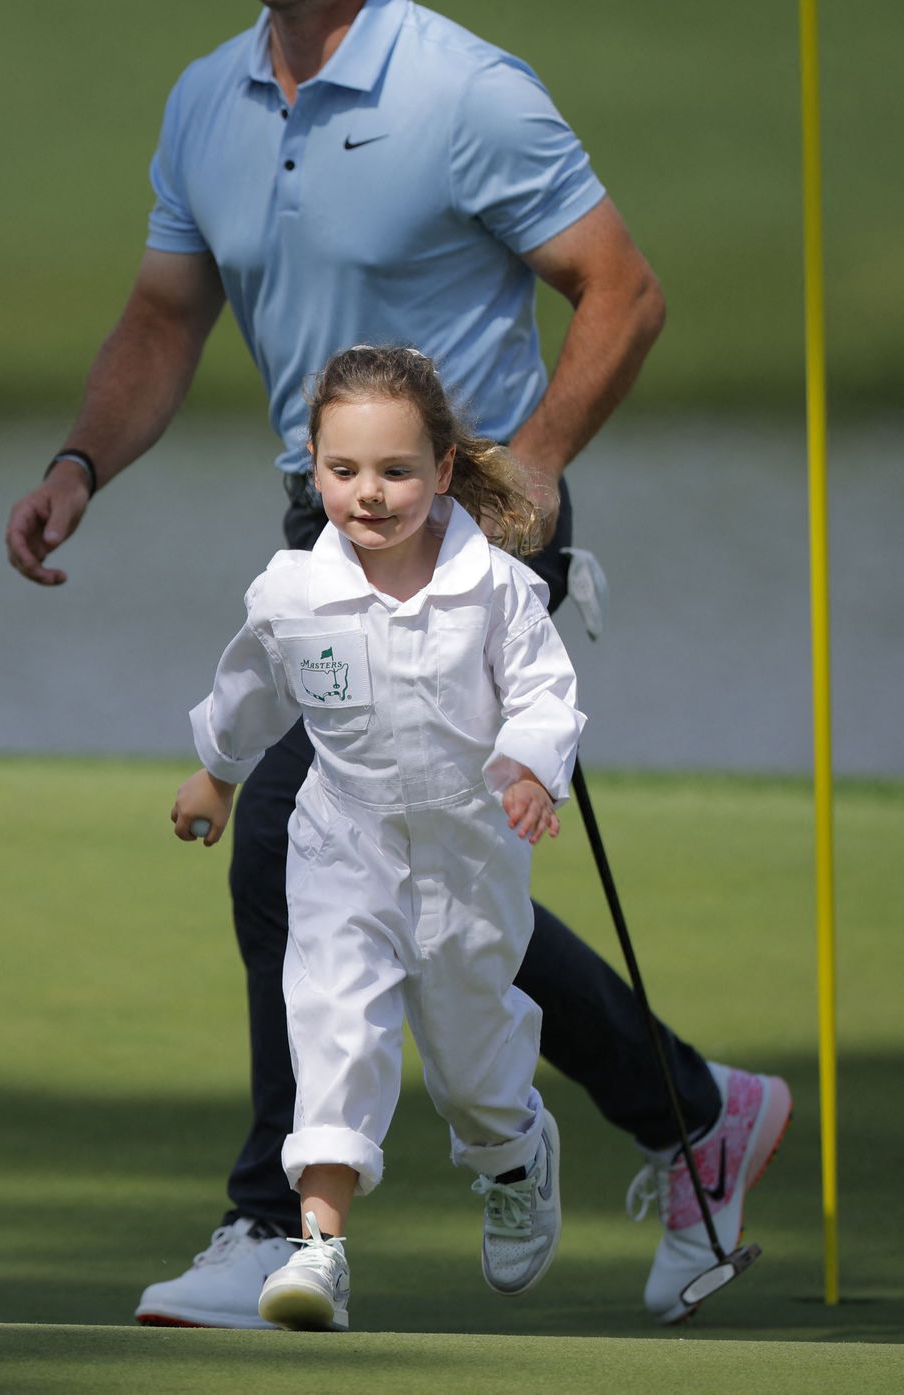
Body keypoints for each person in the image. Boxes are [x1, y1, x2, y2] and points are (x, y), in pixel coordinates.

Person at [5, 0, 792, 1328]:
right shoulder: (205, 99)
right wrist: (82, 457)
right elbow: (168, 317)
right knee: (432, 884)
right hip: (328, 527)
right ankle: (695, 1109)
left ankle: (268, 1225)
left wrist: (538, 472)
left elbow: (619, 290)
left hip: (475, 529)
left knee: (297, 834)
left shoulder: (466, 91)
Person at [172, 345, 581, 1330]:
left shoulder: (497, 592)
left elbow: (543, 692)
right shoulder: (290, 594)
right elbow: (251, 692)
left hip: (470, 863)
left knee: (472, 1072)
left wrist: (530, 765)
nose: (370, 493)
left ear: (442, 471)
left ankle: (515, 1153)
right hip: (340, 856)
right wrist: (216, 775)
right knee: (333, 1033)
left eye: (396, 470)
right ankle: (320, 1252)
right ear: (312, 469)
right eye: (344, 470)